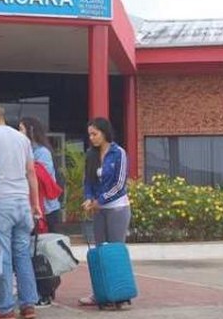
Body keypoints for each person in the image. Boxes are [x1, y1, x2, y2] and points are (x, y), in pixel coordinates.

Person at [0, 101, 42, 319]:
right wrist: (36, 204)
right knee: (22, 254)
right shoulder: (22, 139)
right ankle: (28, 304)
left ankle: (5, 308)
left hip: (1, 202)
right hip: (23, 203)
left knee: (2, 255)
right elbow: (31, 172)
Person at [78, 117, 131, 306]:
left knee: (115, 250)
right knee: (100, 250)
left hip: (117, 208)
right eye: (89, 135)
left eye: (95, 134)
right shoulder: (90, 155)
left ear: (105, 132)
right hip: (98, 209)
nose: (92, 138)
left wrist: (100, 201)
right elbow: (88, 181)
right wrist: (88, 198)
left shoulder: (119, 153)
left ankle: (120, 295)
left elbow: (120, 184)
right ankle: (99, 292)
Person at [18, 117, 62, 233]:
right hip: (31, 206)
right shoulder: (25, 151)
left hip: (47, 209)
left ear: (31, 131)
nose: (19, 133)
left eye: (21, 129)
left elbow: (40, 176)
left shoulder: (42, 152)